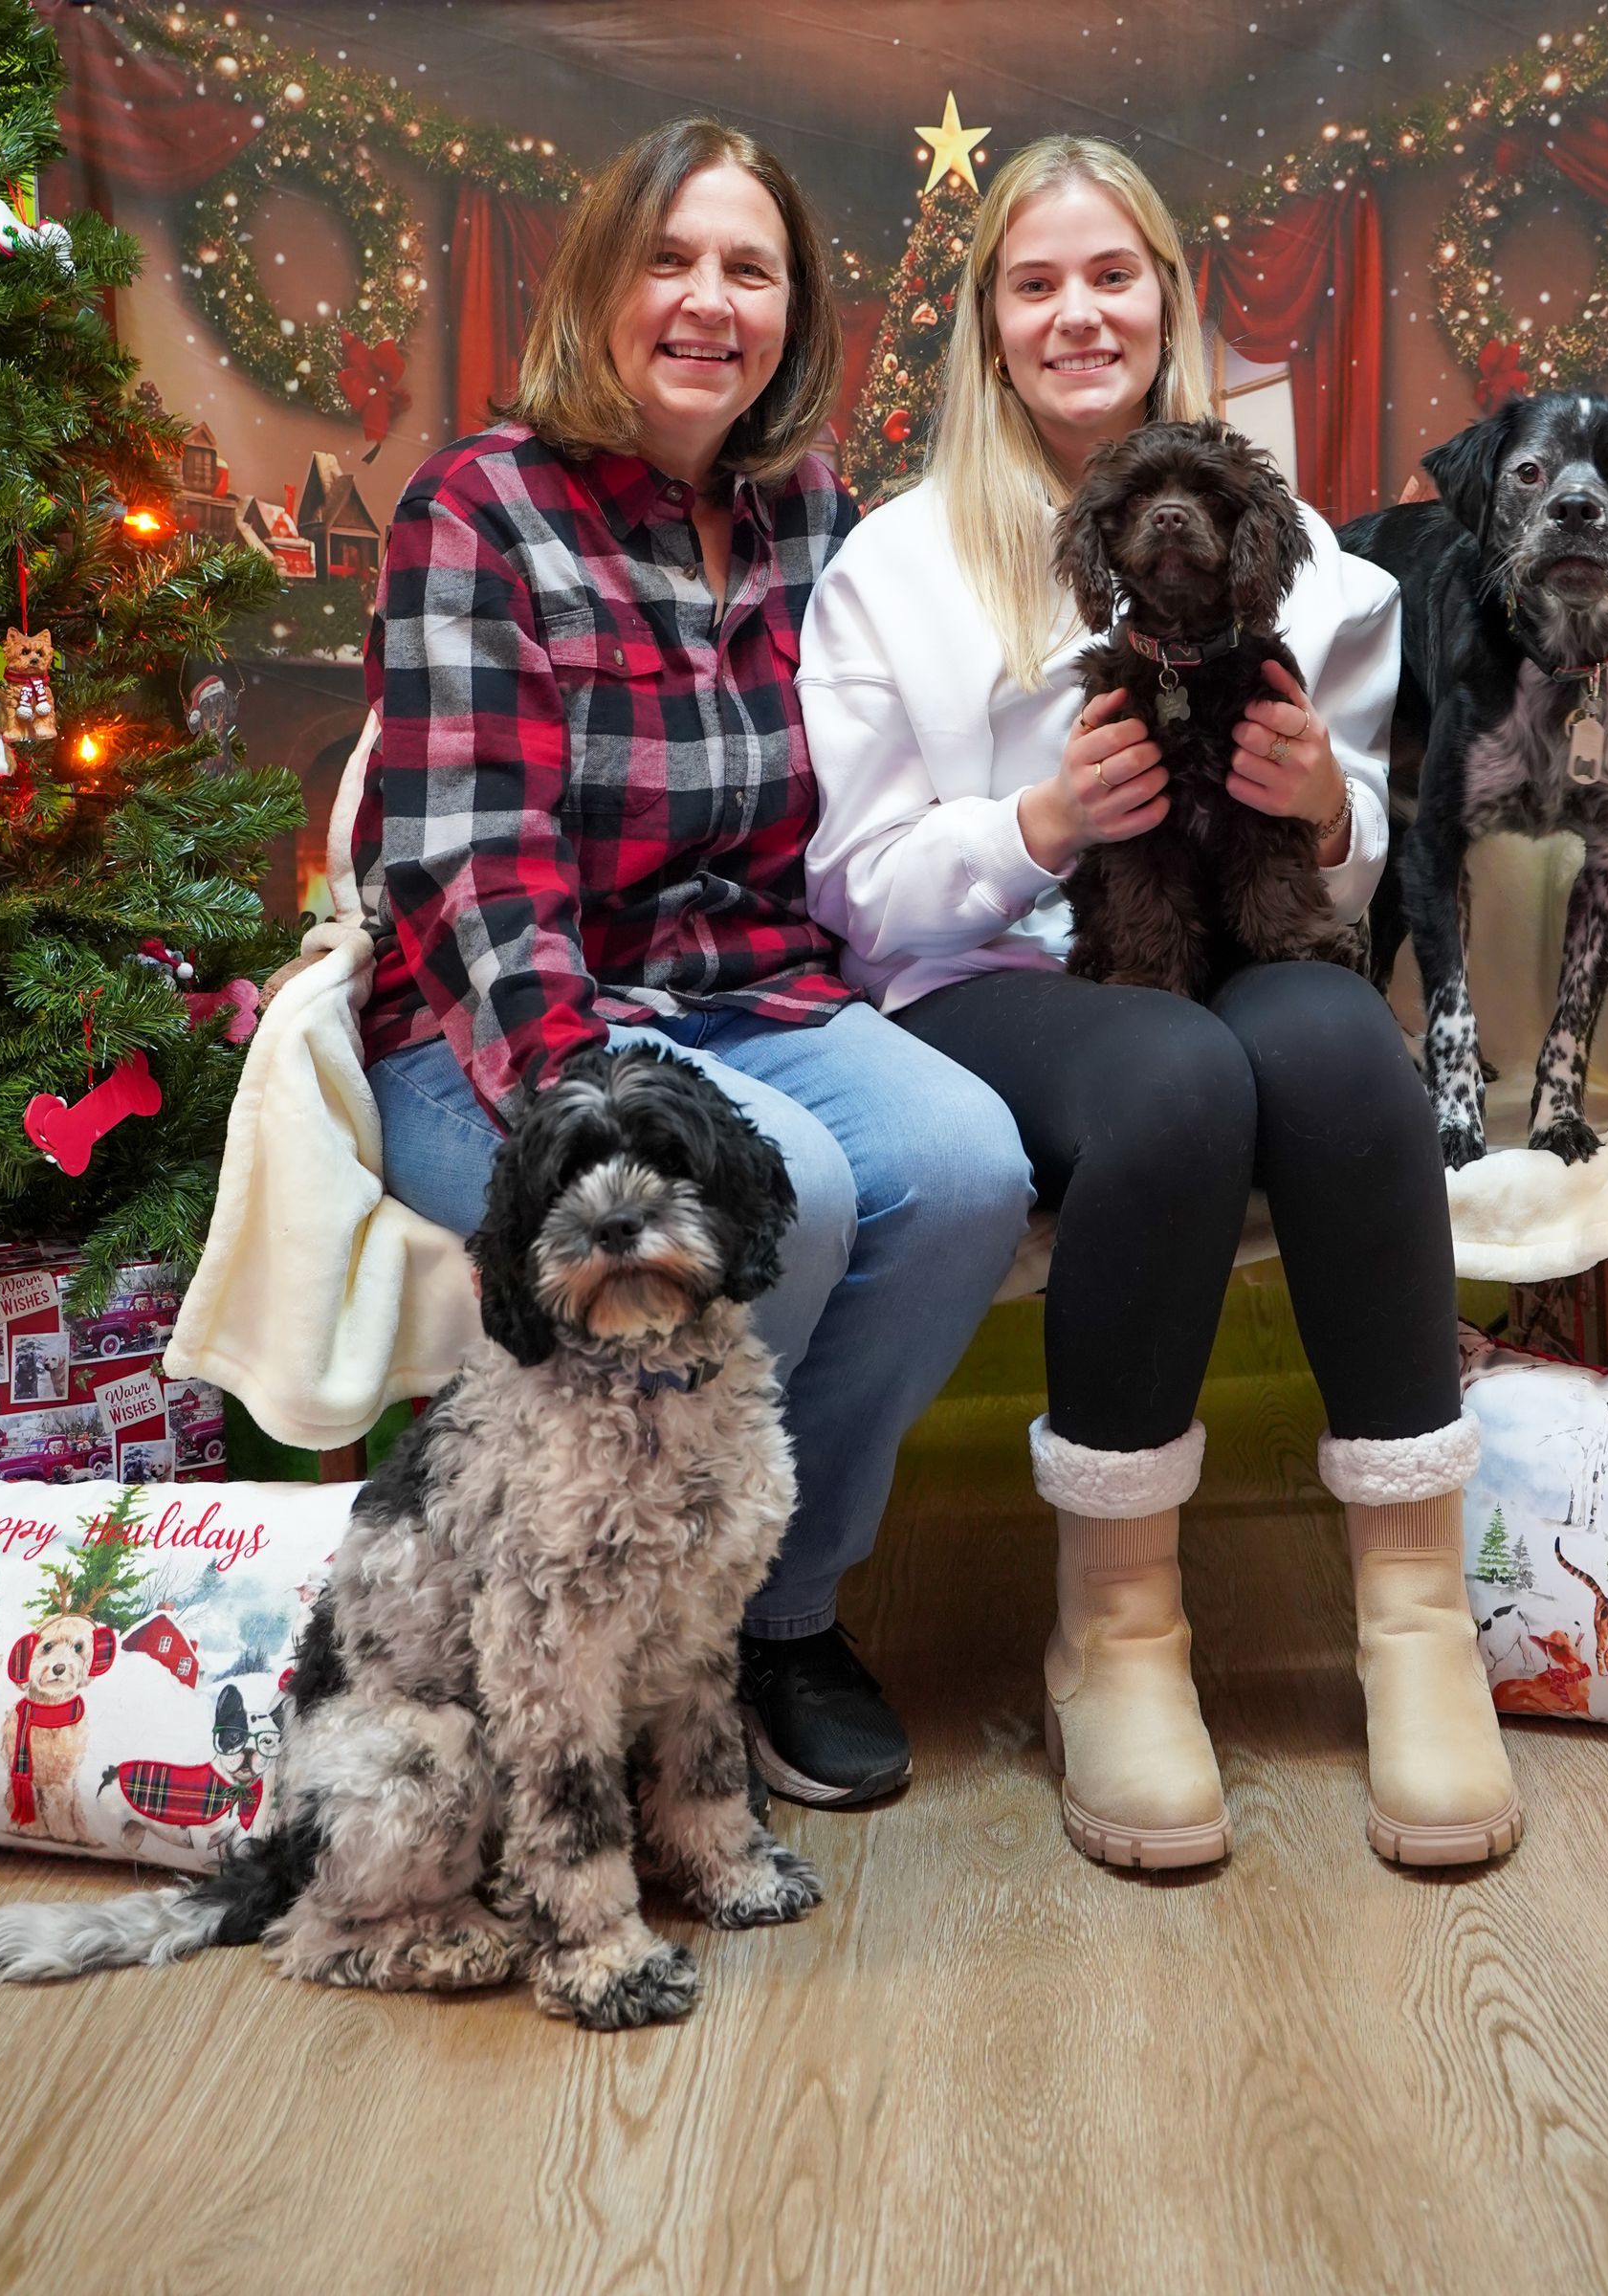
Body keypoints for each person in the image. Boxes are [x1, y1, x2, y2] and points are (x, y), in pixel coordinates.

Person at [799, 135, 1522, 1870]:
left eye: (1110, 274)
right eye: (1034, 284)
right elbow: (849, 890)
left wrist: (1329, 808)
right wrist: (1035, 824)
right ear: (986, 325)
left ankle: (1415, 1619)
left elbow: (1340, 892)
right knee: (1178, 1081)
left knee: (1347, 1050)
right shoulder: (894, 565)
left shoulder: (1316, 575)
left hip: (1234, 943)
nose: (1077, 314)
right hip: (985, 990)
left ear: (1170, 298)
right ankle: (1117, 1633)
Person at [353, 118, 1034, 1810]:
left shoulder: (815, 515)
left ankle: (777, 1610)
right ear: (599, 283)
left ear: (796, 315)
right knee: (764, 1190)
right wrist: (604, 1114)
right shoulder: (479, 506)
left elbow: (890, 778)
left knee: (965, 1166)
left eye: (751, 269)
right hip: (503, 1025)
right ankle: (636, 1645)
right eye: (671, 259)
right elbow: (465, 870)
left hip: (751, 989)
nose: (709, 301)